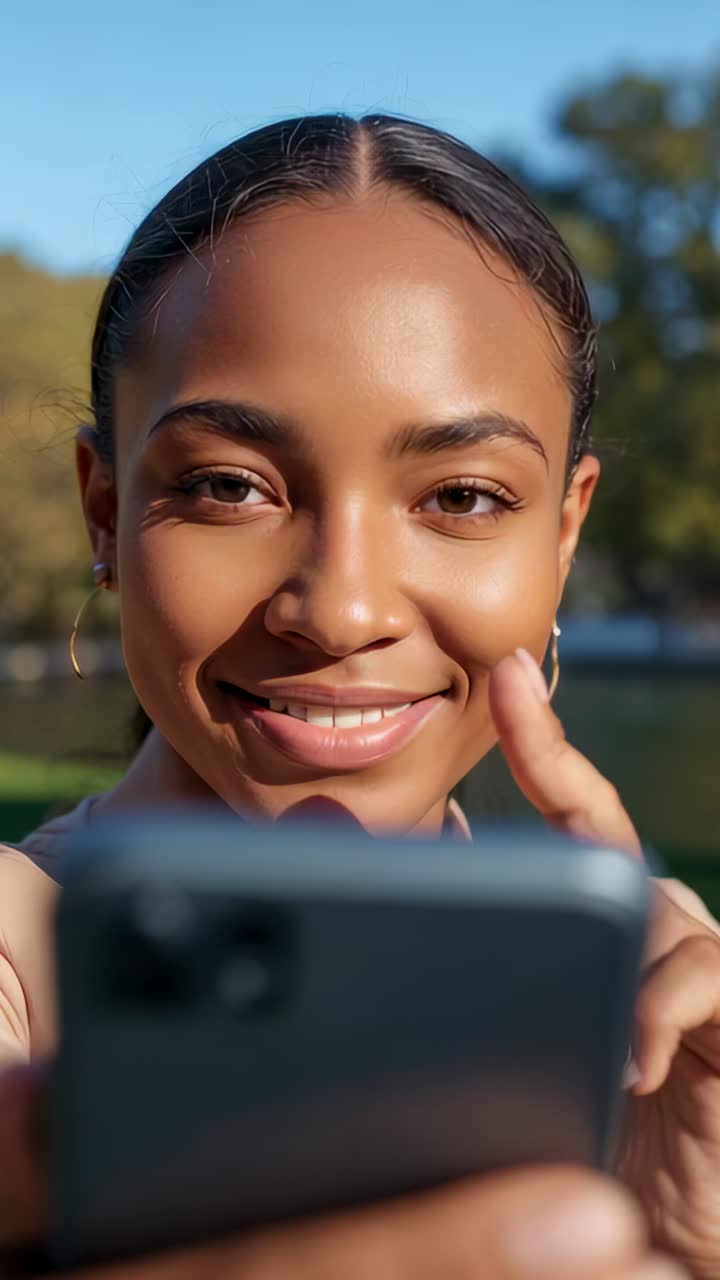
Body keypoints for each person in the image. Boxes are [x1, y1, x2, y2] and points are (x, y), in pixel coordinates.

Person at [1, 113, 718, 1278]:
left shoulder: (652, 1022)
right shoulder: (17, 964)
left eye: (467, 498)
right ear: (105, 513)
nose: (338, 609)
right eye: (230, 485)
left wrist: (687, 1228)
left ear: (565, 534)